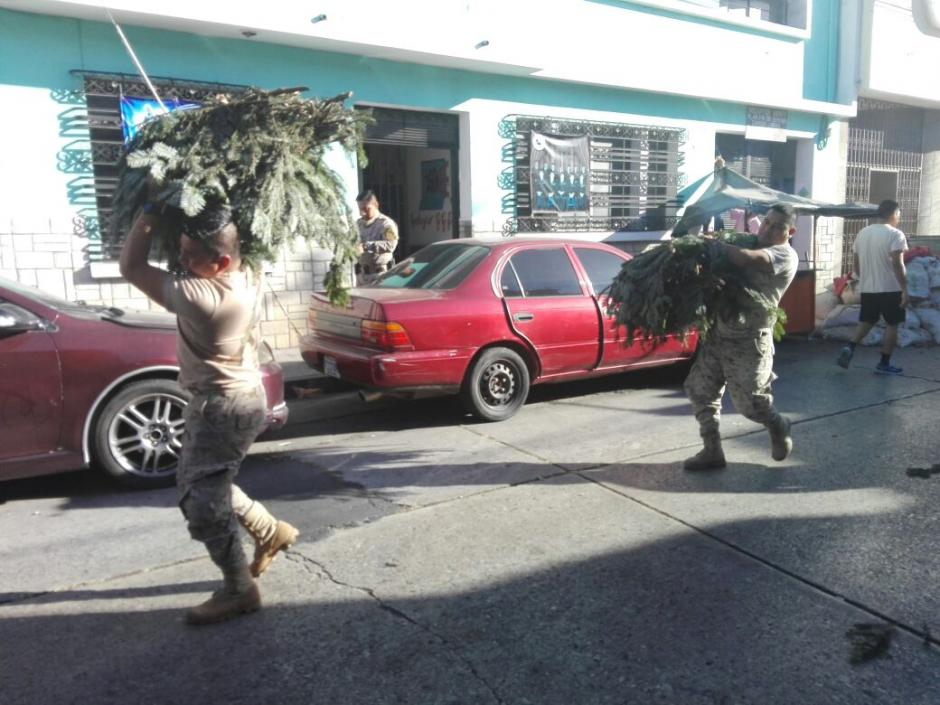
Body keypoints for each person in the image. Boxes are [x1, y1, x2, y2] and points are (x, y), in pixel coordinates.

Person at [120, 200, 299, 625]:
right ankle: (270, 531)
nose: (179, 260)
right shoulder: (247, 271)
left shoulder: (206, 297)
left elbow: (131, 267)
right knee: (207, 478)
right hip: (237, 396)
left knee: (200, 497)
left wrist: (148, 213)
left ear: (219, 263)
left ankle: (239, 589)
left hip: (224, 405)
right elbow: (236, 232)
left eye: (188, 255)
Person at [683, 203, 799, 471]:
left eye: (777, 226)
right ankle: (712, 450)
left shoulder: (784, 255)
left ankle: (778, 425)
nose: (768, 229)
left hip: (749, 340)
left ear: (790, 231)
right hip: (718, 333)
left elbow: (748, 259)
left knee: (751, 405)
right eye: (767, 222)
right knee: (700, 390)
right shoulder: (745, 240)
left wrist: (715, 246)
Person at [836, 199, 908, 375]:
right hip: (890, 288)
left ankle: (851, 346)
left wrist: (864, 279)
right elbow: (898, 264)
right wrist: (905, 289)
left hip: (868, 288)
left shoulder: (863, 233)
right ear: (893, 214)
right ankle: (884, 363)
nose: (899, 218)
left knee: (868, 320)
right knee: (892, 324)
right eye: (898, 214)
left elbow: (856, 265)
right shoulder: (896, 235)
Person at [355, 189, 399, 283]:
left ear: (376, 205)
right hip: (362, 276)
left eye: (366, 209)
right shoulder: (358, 224)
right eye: (360, 209)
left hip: (381, 275)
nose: (362, 213)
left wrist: (366, 246)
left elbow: (391, 244)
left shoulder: (386, 224)